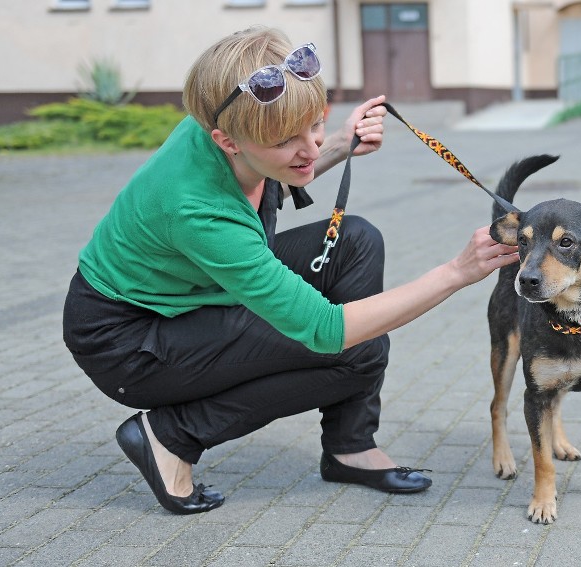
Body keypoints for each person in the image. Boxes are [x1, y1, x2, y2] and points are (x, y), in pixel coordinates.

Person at [62, 25, 518, 515]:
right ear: (226, 140)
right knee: (355, 349)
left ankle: (350, 446)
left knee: (355, 240)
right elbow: (325, 330)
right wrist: (456, 271)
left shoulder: (227, 110)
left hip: (187, 296)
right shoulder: (196, 209)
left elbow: (268, 177)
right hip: (130, 342)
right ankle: (171, 434)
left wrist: (340, 142)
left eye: (314, 124)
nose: (311, 148)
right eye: (288, 140)